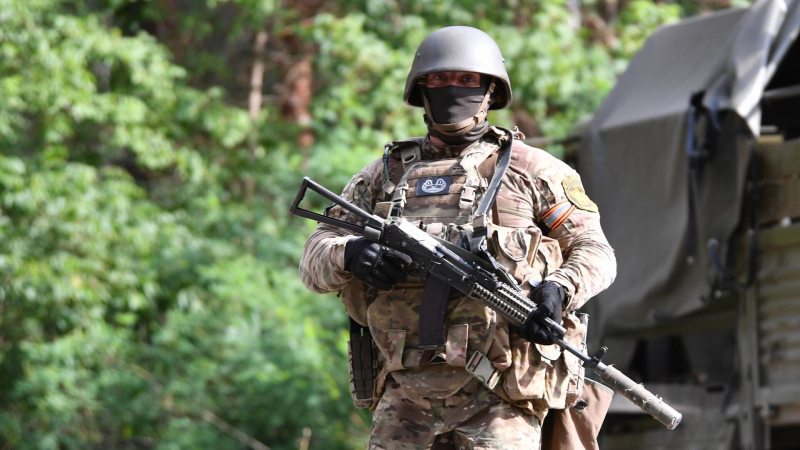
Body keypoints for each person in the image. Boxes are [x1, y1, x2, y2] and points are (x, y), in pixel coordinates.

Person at [299, 26, 616, 450]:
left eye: (467, 79)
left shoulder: (533, 171)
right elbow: (314, 260)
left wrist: (559, 289)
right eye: (439, 79)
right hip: (404, 398)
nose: (453, 89)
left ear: (490, 91)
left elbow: (595, 250)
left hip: (502, 398)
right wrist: (351, 254)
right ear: (421, 90)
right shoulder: (384, 177)